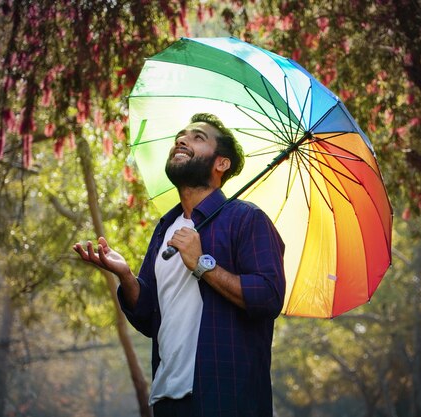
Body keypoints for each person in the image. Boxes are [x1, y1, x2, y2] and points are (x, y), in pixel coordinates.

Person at [73, 113, 286, 417]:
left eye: (198, 137)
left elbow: (268, 296)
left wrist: (201, 264)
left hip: (226, 399)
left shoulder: (246, 220)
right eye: (180, 137)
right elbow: (147, 317)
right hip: (166, 399)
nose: (182, 140)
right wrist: (126, 275)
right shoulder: (166, 228)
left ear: (220, 163)